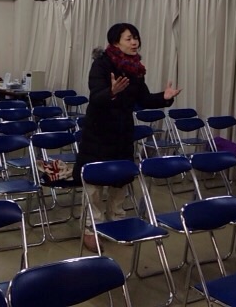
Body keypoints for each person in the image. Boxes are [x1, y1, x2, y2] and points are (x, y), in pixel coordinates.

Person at [73, 22, 181, 252]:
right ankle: (91, 228)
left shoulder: (134, 68)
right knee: (94, 183)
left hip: (122, 131)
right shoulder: (101, 64)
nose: (134, 42)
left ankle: (117, 219)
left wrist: (164, 97)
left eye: (136, 38)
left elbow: (143, 99)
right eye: (129, 38)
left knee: (121, 178)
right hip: (99, 130)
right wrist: (111, 91)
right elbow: (96, 97)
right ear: (115, 42)